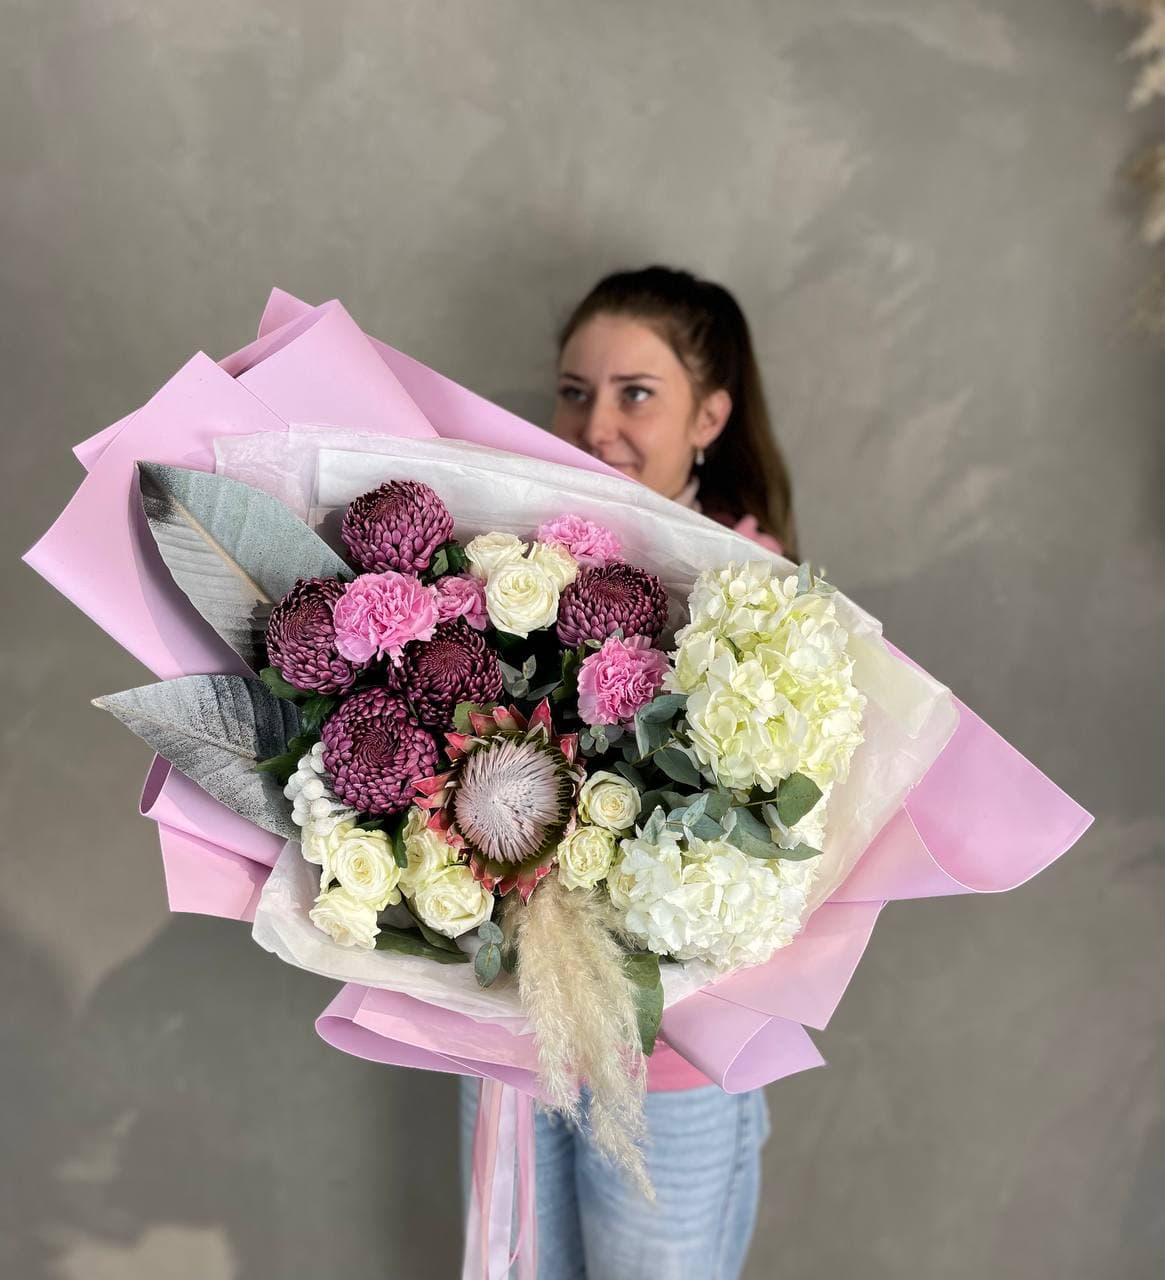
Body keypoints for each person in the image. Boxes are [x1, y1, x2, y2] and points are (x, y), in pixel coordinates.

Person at [460, 265, 798, 1279]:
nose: (593, 424)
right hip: (515, 1028)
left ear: (710, 417)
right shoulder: (503, 565)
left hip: (674, 1061)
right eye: (575, 391)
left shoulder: (759, 604)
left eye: (634, 393)